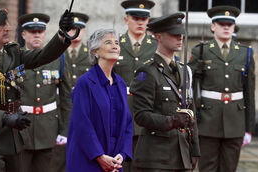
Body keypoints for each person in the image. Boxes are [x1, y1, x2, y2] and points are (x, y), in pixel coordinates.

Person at [0, 7, 74, 172]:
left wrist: (62, 33)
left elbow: (43, 56)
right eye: (1, 25)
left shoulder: (13, 53)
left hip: (13, 137)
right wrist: (3, 117)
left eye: (7, 24)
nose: (8, 28)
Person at [130, 13, 200, 171]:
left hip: (182, 155)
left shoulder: (184, 70)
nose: (180, 38)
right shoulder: (147, 72)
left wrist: (195, 149)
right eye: (175, 34)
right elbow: (141, 115)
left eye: (181, 34)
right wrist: (172, 121)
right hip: (156, 158)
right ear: (159, 37)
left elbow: (191, 112)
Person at [188, 5, 255, 172]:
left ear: (233, 27)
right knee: (207, 167)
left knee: (229, 167)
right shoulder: (201, 51)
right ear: (213, 26)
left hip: (235, 120)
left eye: (229, 25)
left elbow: (249, 93)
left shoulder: (244, 53)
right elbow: (189, 85)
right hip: (207, 120)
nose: (226, 27)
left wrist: (249, 128)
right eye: (221, 24)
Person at [66, 29, 133, 172]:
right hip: (88, 159)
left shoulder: (120, 83)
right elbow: (81, 123)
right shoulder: (85, 83)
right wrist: (99, 156)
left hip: (114, 161)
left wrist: (122, 154)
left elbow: (127, 122)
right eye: (108, 42)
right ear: (95, 51)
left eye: (116, 43)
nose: (115, 46)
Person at [17, 13, 64, 172]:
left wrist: (64, 129)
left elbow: (66, 96)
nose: (37, 34)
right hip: (21, 127)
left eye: (40, 31)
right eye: (32, 31)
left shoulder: (58, 59)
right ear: (23, 34)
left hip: (48, 128)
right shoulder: (14, 59)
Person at [113, 1, 157, 170]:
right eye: (136, 18)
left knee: (143, 164)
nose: (140, 22)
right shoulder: (115, 44)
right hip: (120, 112)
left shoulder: (156, 46)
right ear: (126, 19)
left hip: (148, 112)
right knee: (120, 163)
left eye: (144, 18)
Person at [50, 12, 91, 172]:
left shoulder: (92, 55)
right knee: (59, 161)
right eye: (72, 28)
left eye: (78, 28)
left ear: (84, 30)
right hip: (61, 115)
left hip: (86, 113)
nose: (75, 32)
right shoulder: (55, 54)